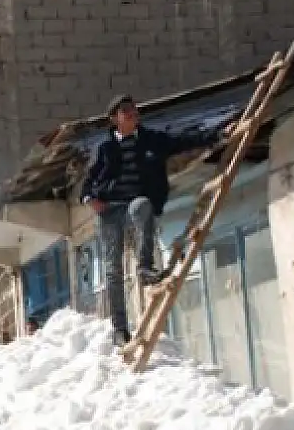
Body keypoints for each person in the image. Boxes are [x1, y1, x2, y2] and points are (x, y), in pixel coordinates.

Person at [80, 94, 227, 347]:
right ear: (115, 118)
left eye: (134, 110)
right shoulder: (104, 149)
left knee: (143, 206)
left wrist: (217, 134)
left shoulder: (151, 140)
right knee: (113, 269)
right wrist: (90, 199)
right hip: (110, 209)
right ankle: (120, 328)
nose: (132, 114)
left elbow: (182, 141)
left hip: (136, 202)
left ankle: (145, 268)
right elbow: (88, 182)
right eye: (125, 111)